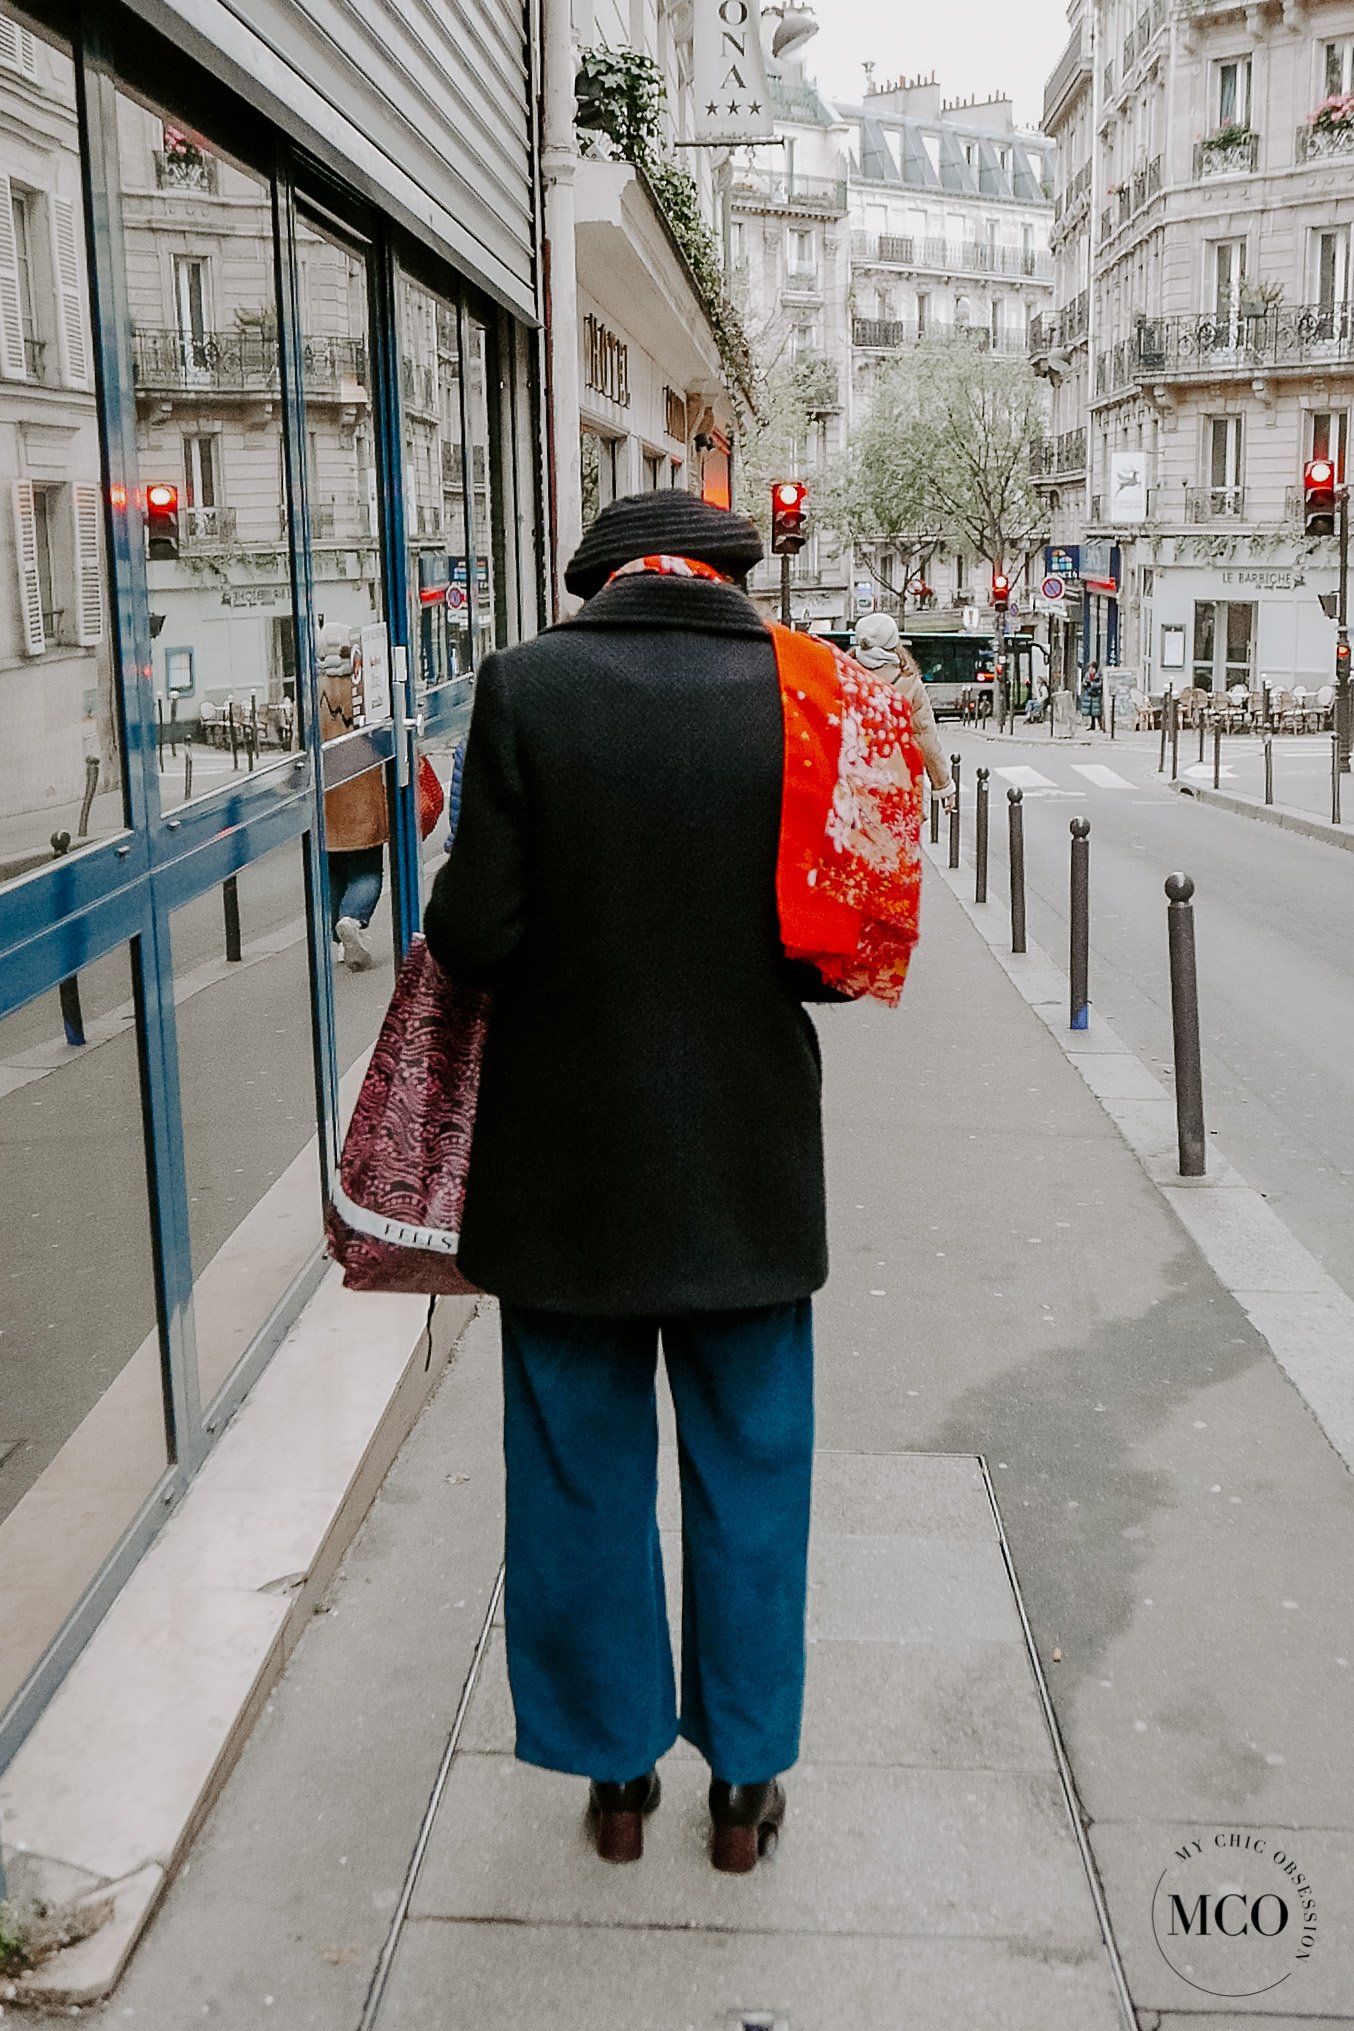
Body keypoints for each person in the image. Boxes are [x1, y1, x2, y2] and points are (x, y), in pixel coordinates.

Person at [424, 492, 851, 1874]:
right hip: (747, 1162)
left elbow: (473, 936)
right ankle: (743, 1786)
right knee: (753, 1470)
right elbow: (832, 957)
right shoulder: (811, 697)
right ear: (734, 576)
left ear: (598, 582)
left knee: (576, 1475)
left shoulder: (526, 686)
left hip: (565, 1167)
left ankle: (616, 1779)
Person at [319, 624, 387, 971]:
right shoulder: (366, 684)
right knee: (367, 871)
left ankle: (339, 936)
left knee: (333, 872)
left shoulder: (313, 690)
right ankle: (352, 919)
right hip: (363, 794)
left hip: (326, 800)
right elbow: (385, 737)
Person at [852, 611, 956, 807]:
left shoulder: (844, 675)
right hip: (899, 787)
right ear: (893, 643)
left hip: (855, 788)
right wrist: (943, 785)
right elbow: (926, 737)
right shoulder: (910, 683)